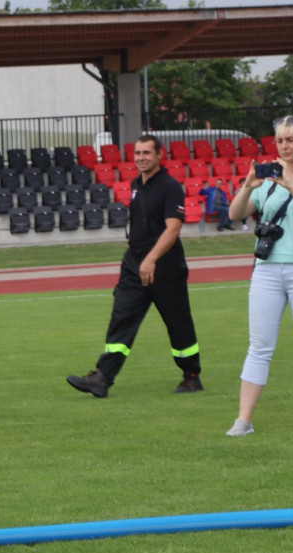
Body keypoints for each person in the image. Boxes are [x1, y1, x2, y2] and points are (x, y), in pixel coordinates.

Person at [225, 114, 293, 437]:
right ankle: (243, 419)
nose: (285, 146)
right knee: (258, 346)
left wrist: (291, 187)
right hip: (268, 270)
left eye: (291, 139)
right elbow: (235, 214)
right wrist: (248, 187)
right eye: (280, 141)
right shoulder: (268, 178)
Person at [66, 134, 202, 397]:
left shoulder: (170, 186)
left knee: (178, 324)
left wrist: (151, 259)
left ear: (159, 155)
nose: (141, 158)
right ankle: (102, 378)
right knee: (122, 316)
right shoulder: (135, 184)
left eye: (146, 153)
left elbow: (173, 229)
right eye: (138, 153)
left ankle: (192, 376)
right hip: (133, 263)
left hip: (165, 266)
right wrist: (138, 258)